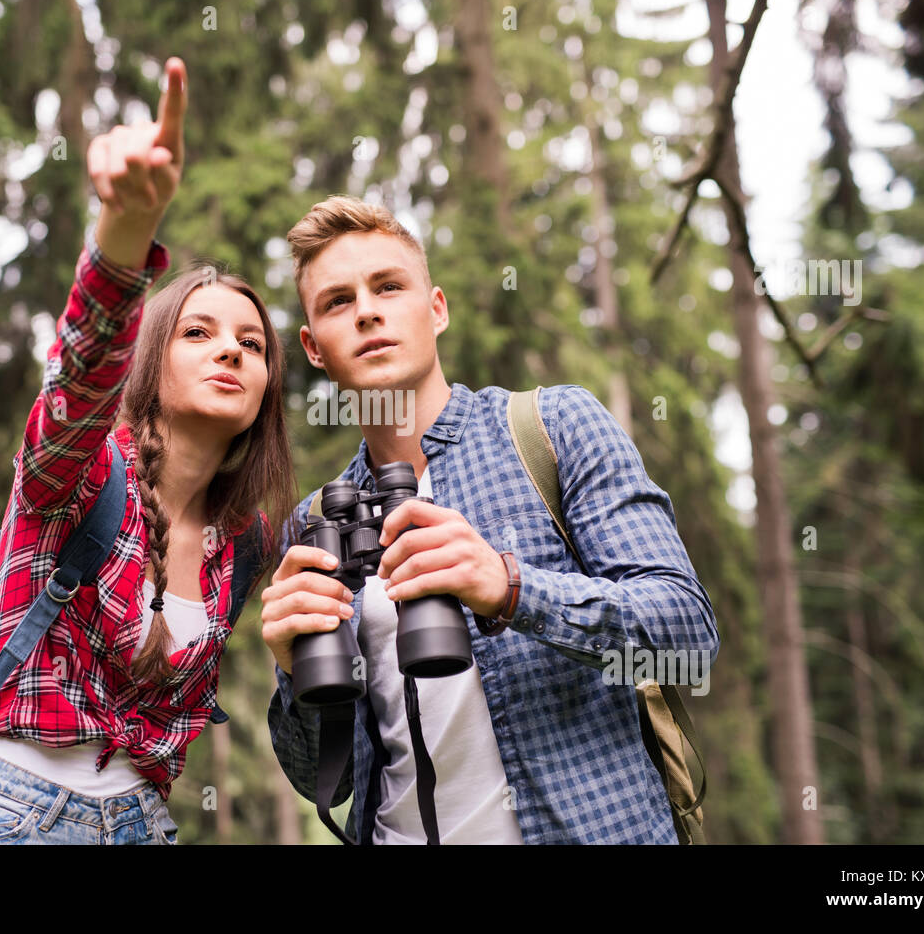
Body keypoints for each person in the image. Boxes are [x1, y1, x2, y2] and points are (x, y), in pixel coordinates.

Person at [260, 195, 719, 844]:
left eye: (388, 286)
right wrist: (291, 673)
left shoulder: (552, 428)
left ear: (436, 309)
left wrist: (510, 588)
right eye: (338, 301)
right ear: (313, 347)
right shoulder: (316, 526)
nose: (366, 310)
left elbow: (688, 633)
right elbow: (324, 783)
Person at [0, 57, 296, 845]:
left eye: (252, 343)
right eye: (198, 333)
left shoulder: (245, 545)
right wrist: (126, 232)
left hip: (143, 826)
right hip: (10, 812)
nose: (230, 351)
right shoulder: (79, 474)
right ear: (150, 359)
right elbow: (79, 378)